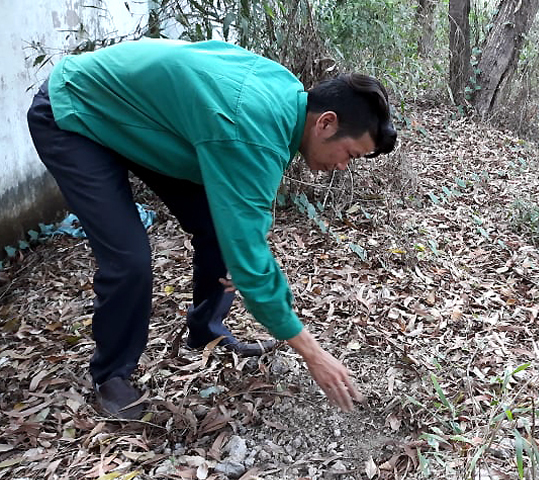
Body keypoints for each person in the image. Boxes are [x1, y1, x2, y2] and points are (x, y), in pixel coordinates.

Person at [26, 38, 397, 419]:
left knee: (224, 235)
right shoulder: (250, 132)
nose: (343, 168)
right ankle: (111, 376)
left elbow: (245, 222)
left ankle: (205, 332)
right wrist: (314, 354)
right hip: (74, 112)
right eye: (350, 155)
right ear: (326, 122)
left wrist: (247, 255)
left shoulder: (288, 96)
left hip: (145, 120)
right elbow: (250, 261)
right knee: (129, 258)